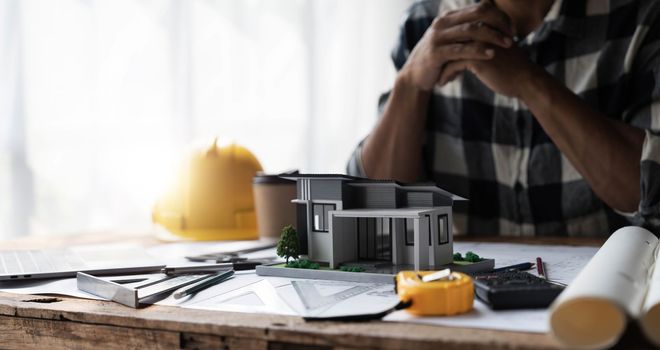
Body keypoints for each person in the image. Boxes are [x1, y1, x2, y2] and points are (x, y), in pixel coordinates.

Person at [347, 0, 660, 236]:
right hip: (455, 301)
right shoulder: (428, 23)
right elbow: (375, 214)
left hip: (603, 303)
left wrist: (529, 82)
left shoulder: (641, 19)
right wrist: (410, 84)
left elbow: (653, 196)